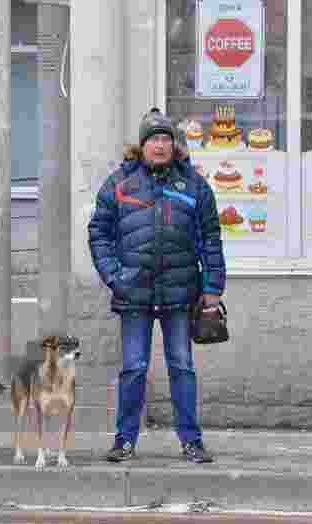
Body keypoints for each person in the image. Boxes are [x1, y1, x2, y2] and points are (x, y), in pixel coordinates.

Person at [88, 108, 226, 465]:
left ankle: (191, 442)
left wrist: (213, 289)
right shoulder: (119, 183)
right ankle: (124, 441)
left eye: (166, 138)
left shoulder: (194, 185)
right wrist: (114, 276)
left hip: (181, 294)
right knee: (133, 367)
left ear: (174, 145)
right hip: (133, 294)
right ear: (142, 145)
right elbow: (98, 232)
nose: (160, 145)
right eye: (153, 139)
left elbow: (211, 238)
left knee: (182, 366)